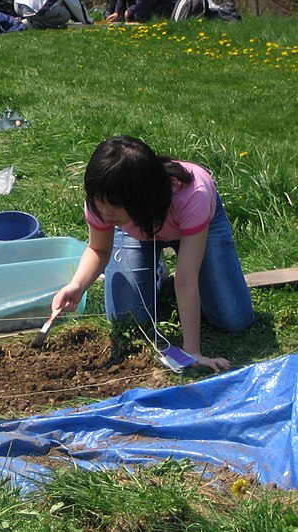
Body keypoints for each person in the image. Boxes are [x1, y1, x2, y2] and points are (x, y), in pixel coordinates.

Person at [52, 136, 254, 372]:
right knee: (127, 319)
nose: (104, 211)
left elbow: (186, 280)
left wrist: (192, 352)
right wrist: (77, 285)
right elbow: (99, 248)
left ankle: (168, 270)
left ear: (140, 198)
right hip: (136, 231)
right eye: (99, 201)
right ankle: (155, 272)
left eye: (113, 205)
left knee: (233, 319)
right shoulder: (103, 200)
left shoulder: (192, 195)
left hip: (195, 224)